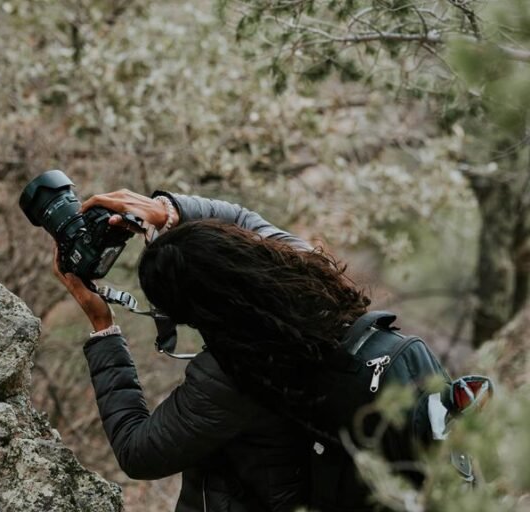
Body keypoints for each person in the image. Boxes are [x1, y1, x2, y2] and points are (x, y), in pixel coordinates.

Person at [51, 189, 372, 512]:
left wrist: (103, 326)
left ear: (192, 315)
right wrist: (170, 212)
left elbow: (137, 452)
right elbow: (244, 221)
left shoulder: (232, 377)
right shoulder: (313, 280)